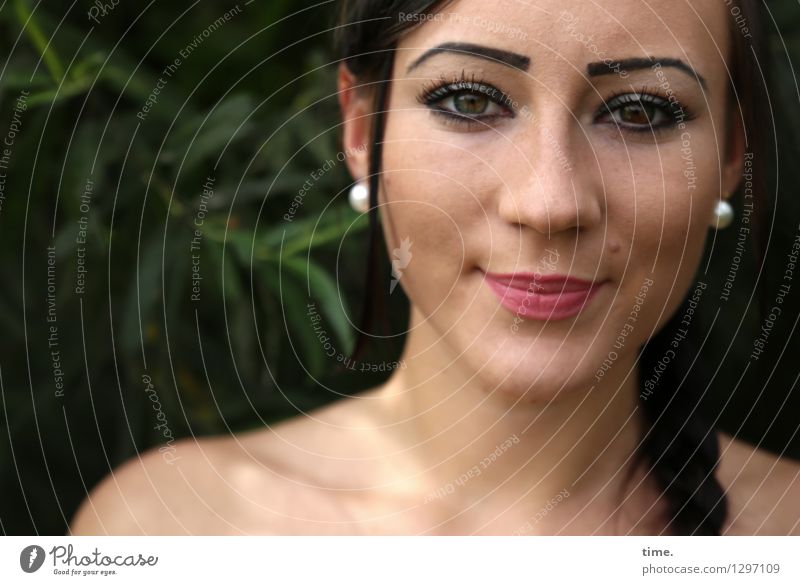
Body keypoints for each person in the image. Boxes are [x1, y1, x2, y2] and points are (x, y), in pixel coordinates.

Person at [70, 0, 800, 536]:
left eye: (641, 112)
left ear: (733, 152)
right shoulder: (168, 528)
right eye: (470, 100)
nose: (549, 202)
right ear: (362, 131)